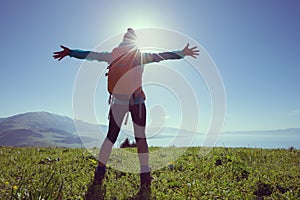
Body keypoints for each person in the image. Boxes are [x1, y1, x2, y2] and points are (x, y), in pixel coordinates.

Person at [53, 28, 199, 198]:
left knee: (110, 138)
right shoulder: (140, 56)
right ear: (135, 42)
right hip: (137, 101)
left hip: (117, 102)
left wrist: (70, 52)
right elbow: (164, 56)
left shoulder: (113, 55)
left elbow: (91, 55)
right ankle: (145, 177)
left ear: (123, 41)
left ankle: (99, 174)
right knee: (141, 138)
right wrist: (182, 53)